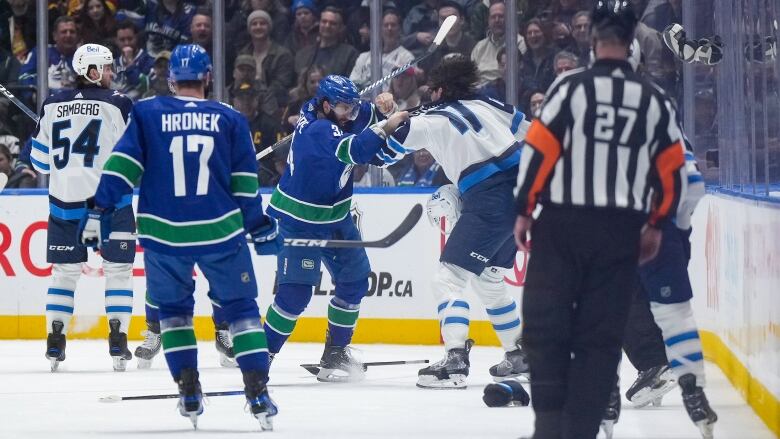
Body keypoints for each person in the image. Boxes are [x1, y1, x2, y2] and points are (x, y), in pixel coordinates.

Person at [512, 2, 692, 437]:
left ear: (592, 41)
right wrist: (655, 225)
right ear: (633, 44)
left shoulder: (570, 88)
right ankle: (585, 428)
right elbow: (673, 174)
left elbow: (538, 151)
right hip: (620, 231)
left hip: (562, 226)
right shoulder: (654, 100)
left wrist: (523, 209)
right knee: (600, 339)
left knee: (546, 329)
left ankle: (550, 427)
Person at [80, 44, 281, 429]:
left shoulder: (147, 113)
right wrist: (257, 225)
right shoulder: (231, 118)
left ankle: (189, 389)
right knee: (240, 311)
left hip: (163, 234)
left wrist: (97, 209)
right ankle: (257, 390)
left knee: (173, 314)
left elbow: (122, 166)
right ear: (207, 78)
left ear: (171, 79)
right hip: (220, 230)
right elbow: (244, 184)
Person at [378, 55, 532, 388]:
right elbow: (534, 133)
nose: (428, 96)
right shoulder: (489, 103)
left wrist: (386, 113)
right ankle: (520, 354)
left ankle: (456, 362)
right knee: (489, 278)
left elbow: (395, 141)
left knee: (446, 280)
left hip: (489, 199)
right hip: (524, 194)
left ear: (441, 90)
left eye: (431, 90)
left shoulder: (434, 118)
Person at [262, 75, 407, 381]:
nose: (350, 114)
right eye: (344, 109)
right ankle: (261, 358)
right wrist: (388, 123)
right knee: (295, 295)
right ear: (326, 106)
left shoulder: (332, 112)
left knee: (354, 280)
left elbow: (368, 122)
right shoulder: (317, 129)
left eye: (352, 108)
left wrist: (386, 108)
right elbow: (357, 150)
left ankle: (334, 354)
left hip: (336, 216)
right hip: (298, 220)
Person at [27, 44, 135, 372]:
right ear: (91, 70)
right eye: (105, 67)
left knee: (64, 273)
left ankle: (55, 339)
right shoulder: (118, 103)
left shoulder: (51, 104)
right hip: (109, 202)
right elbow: (131, 155)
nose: (111, 73)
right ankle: (117, 339)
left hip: (64, 204)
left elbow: (39, 161)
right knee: (118, 271)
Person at [349, 9, 414, 92]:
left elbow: (404, 90)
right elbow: (352, 85)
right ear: (380, 29)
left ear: (400, 29)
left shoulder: (407, 57)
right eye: (386, 25)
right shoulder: (363, 57)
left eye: (393, 25)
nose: (389, 28)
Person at [18, 16, 80, 95]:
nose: (68, 35)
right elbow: (24, 76)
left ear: (77, 36)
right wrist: (34, 95)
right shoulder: (41, 52)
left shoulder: (83, 56)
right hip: (45, 102)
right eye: (64, 32)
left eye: (72, 32)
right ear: (55, 36)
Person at [294, 6, 358, 77]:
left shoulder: (349, 54)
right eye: (324, 21)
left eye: (333, 23)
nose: (327, 26)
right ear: (319, 24)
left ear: (340, 28)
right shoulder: (303, 54)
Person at [113, 20, 154, 100]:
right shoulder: (114, 64)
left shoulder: (148, 61)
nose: (127, 43)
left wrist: (130, 64)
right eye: (122, 40)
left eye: (130, 39)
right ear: (116, 41)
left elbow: (148, 88)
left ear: (136, 37)